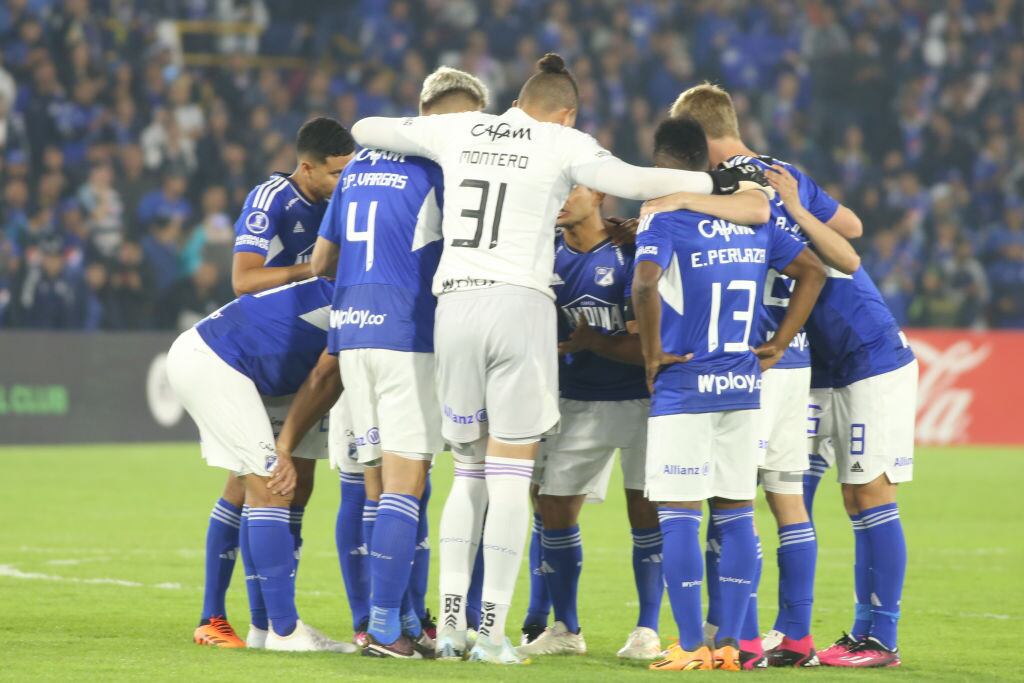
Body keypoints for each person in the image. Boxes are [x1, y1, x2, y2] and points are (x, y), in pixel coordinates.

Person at [350, 53, 768, 665]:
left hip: (454, 307)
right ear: (566, 110)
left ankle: (455, 628)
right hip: (520, 307)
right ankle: (493, 633)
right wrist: (717, 183)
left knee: (466, 471)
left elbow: (364, 128)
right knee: (512, 473)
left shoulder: (460, 127)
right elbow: (636, 180)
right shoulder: (561, 140)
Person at [652, 82, 863, 667]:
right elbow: (850, 228)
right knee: (787, 499)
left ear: (696, 138)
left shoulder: (718, 190)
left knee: (729, 500)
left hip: (746, 359)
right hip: (792, 359)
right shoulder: (782, 173)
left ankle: (735, 640)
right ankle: (794, 635)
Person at [311, 66, 489, 659]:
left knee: (377, 480)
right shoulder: (447, 168)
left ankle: (396, 617)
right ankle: (387, 628)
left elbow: (321, 260)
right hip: (406, 335)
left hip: (351, 335)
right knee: (407, 483)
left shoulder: (359, 163)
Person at [192, 117, 353, 649]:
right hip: (260, 352)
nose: (342, 181)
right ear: (306, 167)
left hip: (302, 357)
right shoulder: (272, 198)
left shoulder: (342, 197)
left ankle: (273, 619)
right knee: (249, 483)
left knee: (296, 483)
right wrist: (313, 270)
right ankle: (214, 615)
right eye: (333, 173)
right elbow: (243, 280)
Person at [766, 164, 917, 668]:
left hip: (869, 358)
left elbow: (849, 247)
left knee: (869, 493)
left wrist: (797, 208)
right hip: (819, 368)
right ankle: (810, 631)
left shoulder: (789, 210)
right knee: (804, 491)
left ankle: (882, 639)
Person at [165, 276, 355, 653]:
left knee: (276, 485)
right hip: (215, 361)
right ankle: (285, 631)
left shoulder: (353, 287)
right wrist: (282, 449)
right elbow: (324, 376)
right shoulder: (360, 299)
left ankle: (264, 627)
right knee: (271, 486)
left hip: (244, 367)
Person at [515, 185, 660, 660]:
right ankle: (566, 629)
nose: (558, 197)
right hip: (577, 400)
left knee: (645, 509)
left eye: (570, 189)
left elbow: (647, 346)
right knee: (553, 507)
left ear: (598, 194)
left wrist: (593, 343)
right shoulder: (545, 256)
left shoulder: (632, 252)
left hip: (641, 398)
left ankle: (646, 630)